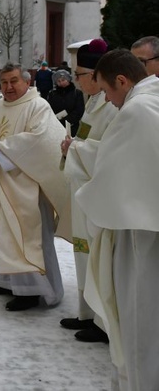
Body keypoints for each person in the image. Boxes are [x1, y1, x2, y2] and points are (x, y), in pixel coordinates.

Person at [76, 49, 159, 390]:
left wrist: (84, 197)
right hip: (147, 218)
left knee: (139, 317)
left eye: (109, 92)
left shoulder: (137, 110)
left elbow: (110, 173)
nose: (109, 101)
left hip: (140, 232)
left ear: (122, 80)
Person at [0, 63, 70, 311]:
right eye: (4, 82)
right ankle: (7, 281)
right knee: (5, 236)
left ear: (27, 82)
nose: (9, 87)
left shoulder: (38, 106)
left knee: (29, 238)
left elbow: (40, 141)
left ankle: (32, 291)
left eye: (14, 81)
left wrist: (0, 148)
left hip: (28, 187)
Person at [58, 38, 116, 343]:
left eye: (79, 74)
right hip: (83, 189)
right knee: (83, 254)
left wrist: (76, 148)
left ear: (95, 75)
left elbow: (112, 151)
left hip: (98, 194)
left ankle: (103, 322)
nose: (75, 79)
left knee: (97, 257)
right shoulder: (93, 102)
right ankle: (87, 313)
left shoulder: (112, 106)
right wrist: (74, 148)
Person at [46, 69, 84, 137]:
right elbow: (49, 108)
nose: (61, 83)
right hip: (56, 127)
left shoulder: (77, 93)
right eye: (58, 81)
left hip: (72, 127)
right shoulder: (52, 94)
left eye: (63, 80)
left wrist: (67, 121)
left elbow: (79, 110)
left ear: (68, 79)